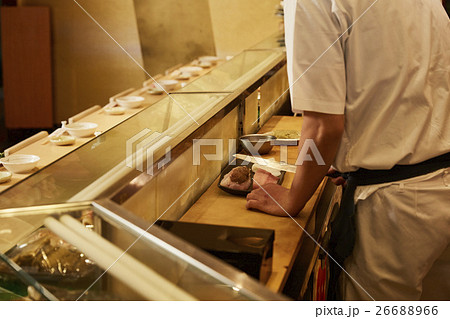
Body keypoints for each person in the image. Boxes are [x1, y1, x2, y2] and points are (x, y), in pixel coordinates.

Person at [246, 0, 450, 300]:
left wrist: (292, 198)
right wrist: (354, 156)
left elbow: (322, 127)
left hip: (395, 209)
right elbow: (406, 82)